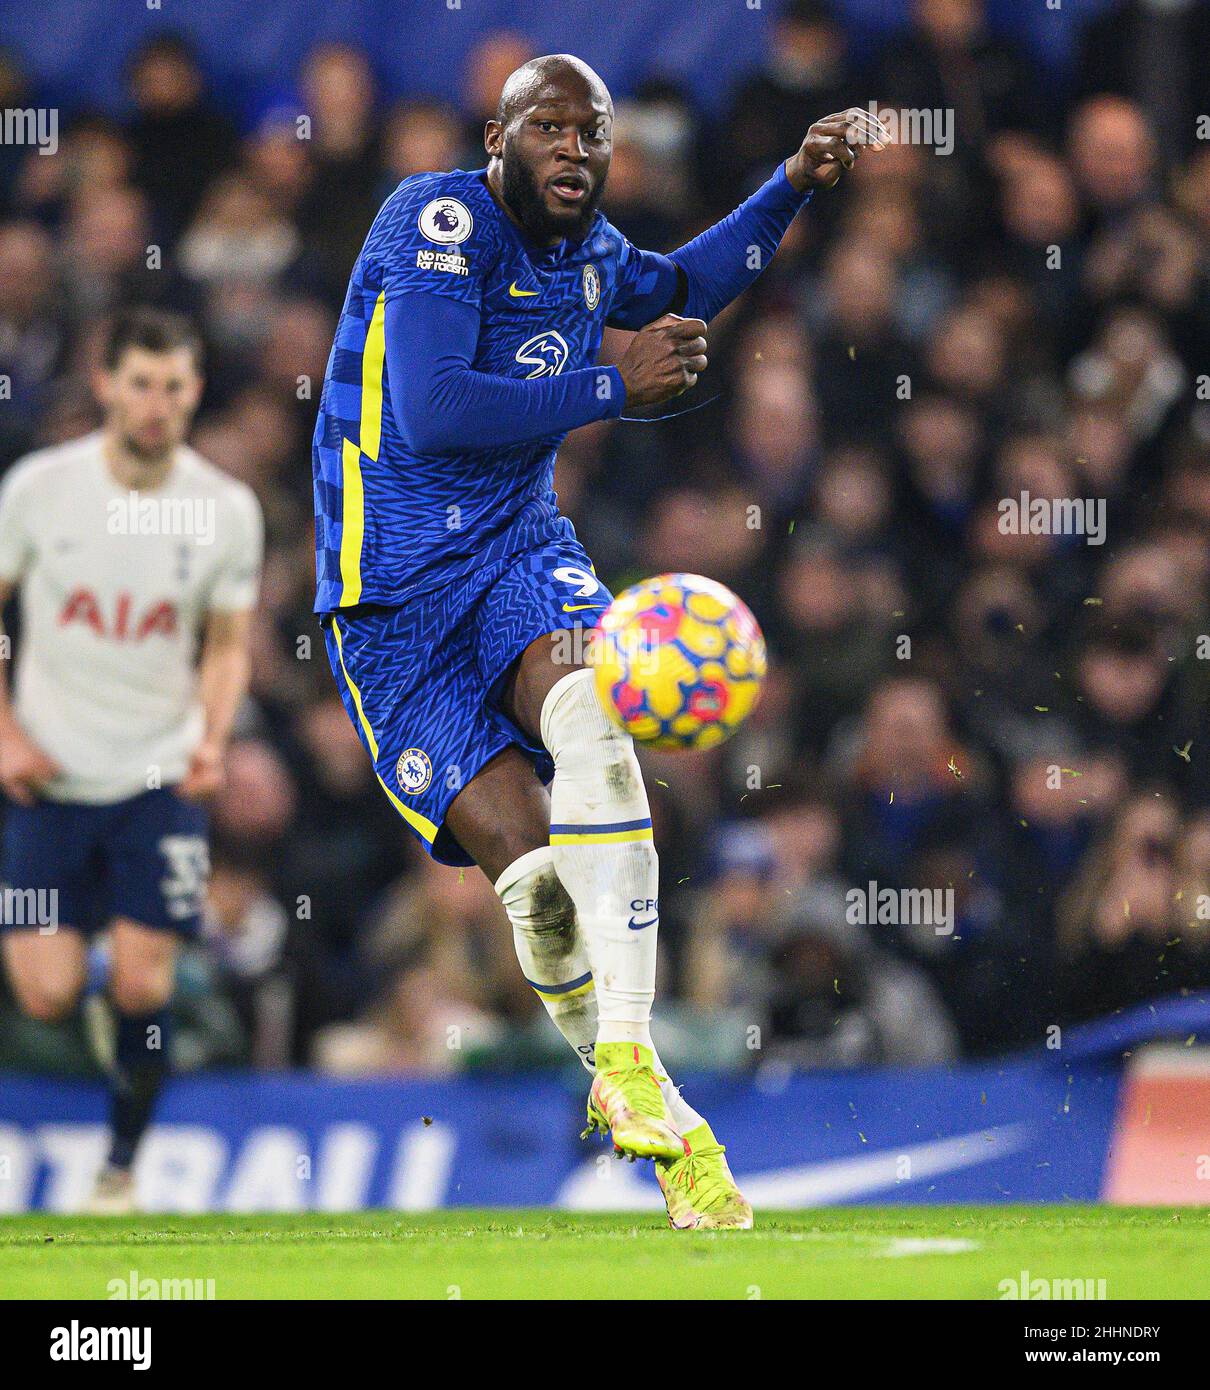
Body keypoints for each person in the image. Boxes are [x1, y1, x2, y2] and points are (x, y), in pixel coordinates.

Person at [312, 52, 886, 1230]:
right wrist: (611, 387)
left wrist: (788, 186)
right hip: (389, 604)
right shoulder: (433, 218)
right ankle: (670, 1126)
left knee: (592, 713)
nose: (574, 151)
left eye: (593, 134)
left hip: (519, 554)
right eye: (549, 131)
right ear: (497, 137)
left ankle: (626, 1055)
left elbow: (682, 279)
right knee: (534, 894)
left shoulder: (587, 256)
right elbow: (433, 405)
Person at [0, 308, 263, 1211]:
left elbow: (227, 645)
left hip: (157, 778)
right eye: (141, 383)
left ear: (195, 394)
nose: (157, 404)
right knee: (45, 993)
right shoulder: (40, 489)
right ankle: (104, 1019)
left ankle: (119, 1169)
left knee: (147, 984)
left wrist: (212, 737)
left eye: (175, 387)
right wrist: (4, 731)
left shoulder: (226, 510)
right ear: (108, 384)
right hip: (48, 779)